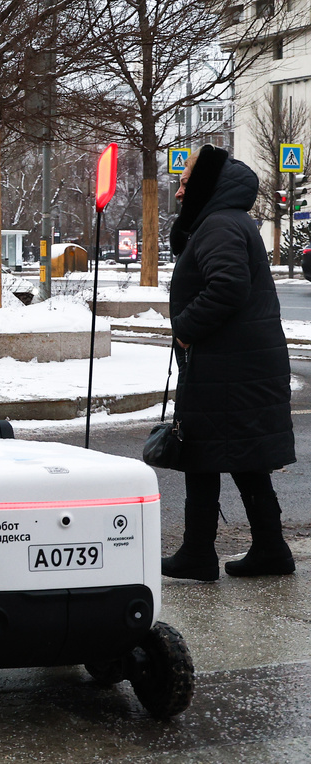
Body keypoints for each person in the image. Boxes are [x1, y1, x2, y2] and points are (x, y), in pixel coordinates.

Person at [162, 144, 296, 581]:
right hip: (237, 364)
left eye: (185, 183)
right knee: (242, 456)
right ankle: (268, 550)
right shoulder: (227, 221)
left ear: (206, 185)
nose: (179, 192)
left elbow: (227, 286)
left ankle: (199, 554)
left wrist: (185, 327)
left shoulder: (218, 224)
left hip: (227, 366)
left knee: (202, 453)